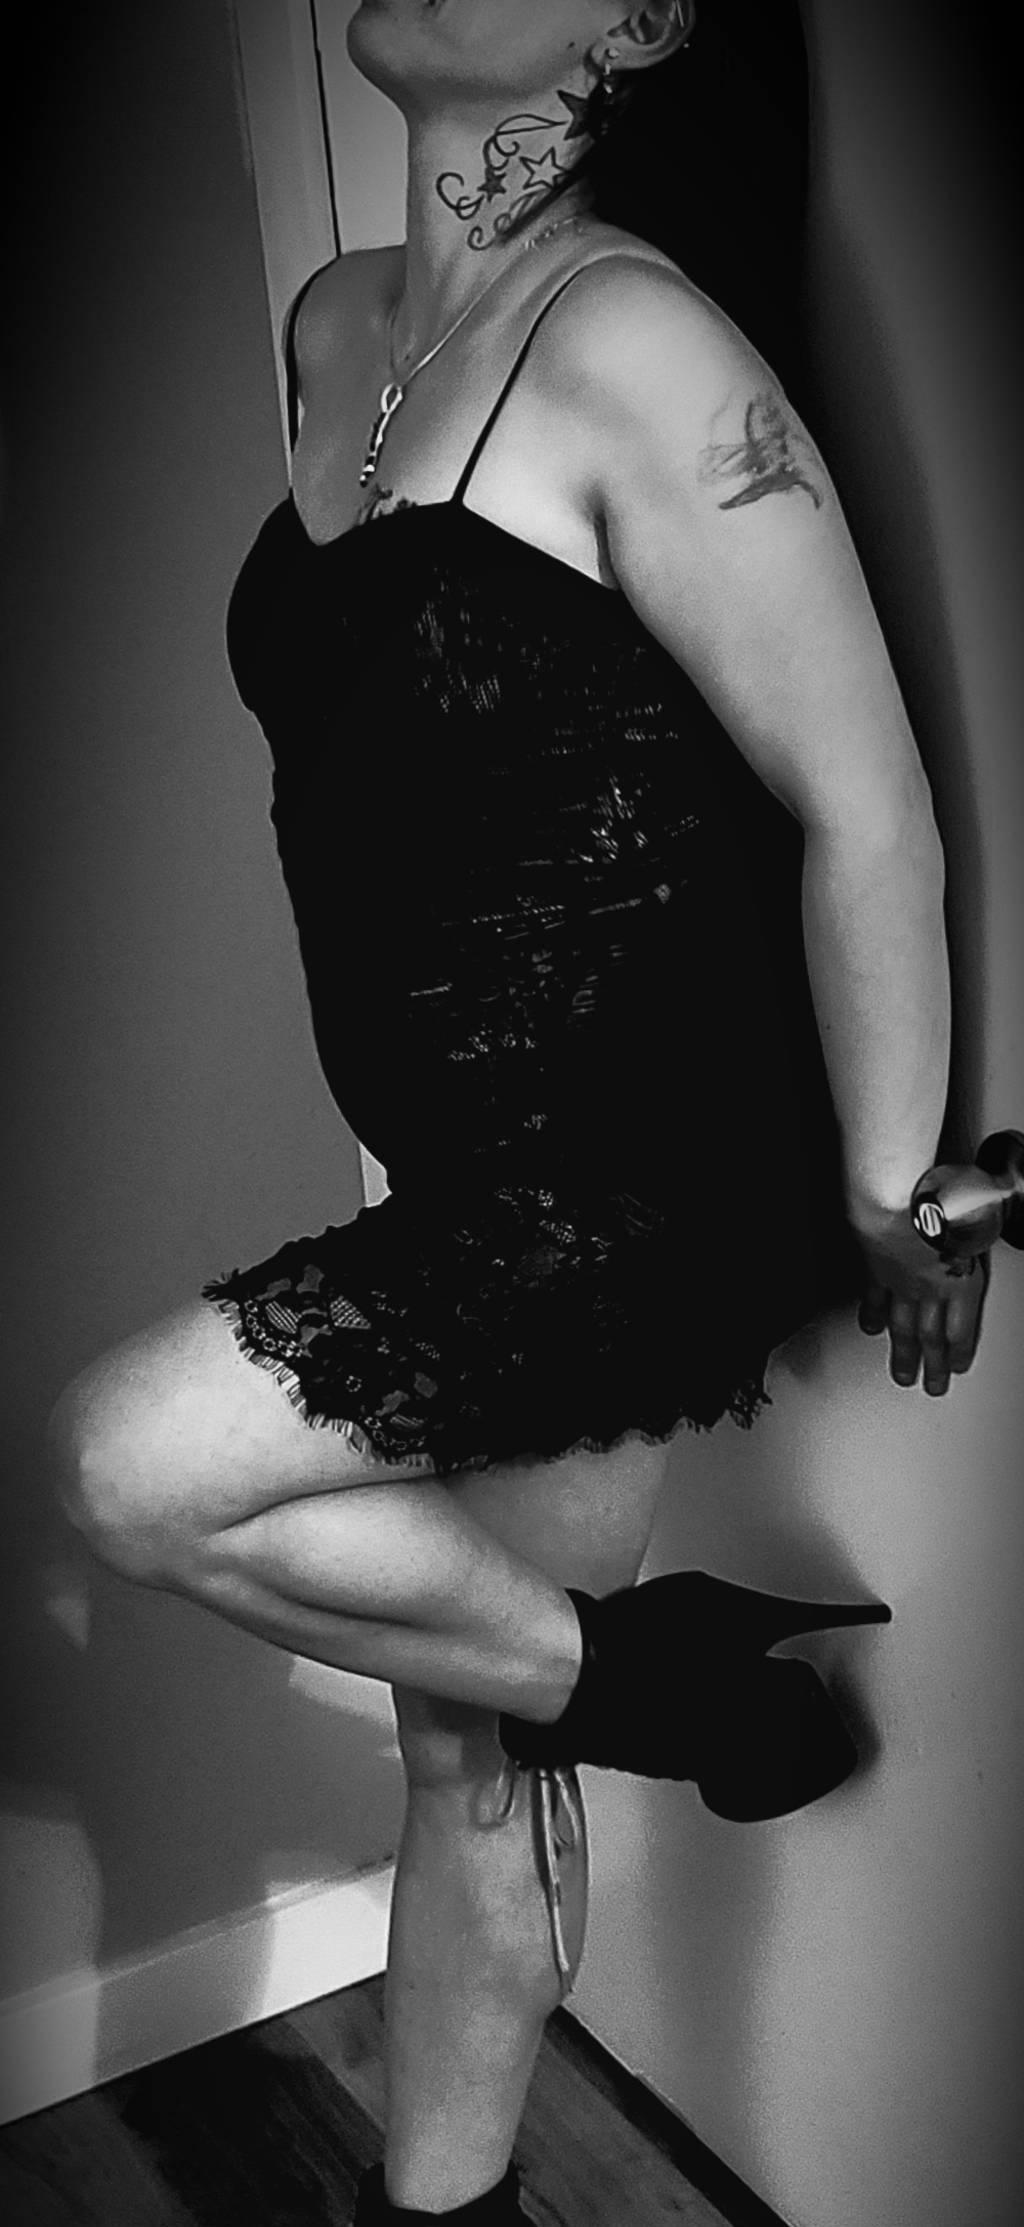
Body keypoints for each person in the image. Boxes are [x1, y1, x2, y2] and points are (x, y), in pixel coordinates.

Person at [49, 4, 989, 2221]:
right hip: (450, 1166)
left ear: (640, 19)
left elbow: (866, 807)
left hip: (627, 1179)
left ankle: (656, 1688)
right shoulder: (340, 324)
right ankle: (664, 1710)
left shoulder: (640, 349)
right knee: (464, 1749)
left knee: (127, 1466)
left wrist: (890, 1187)